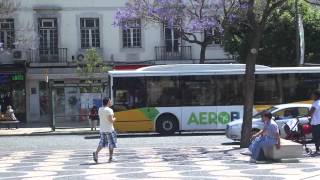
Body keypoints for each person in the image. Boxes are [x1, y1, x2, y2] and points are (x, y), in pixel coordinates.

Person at [93, 98, 117, 163]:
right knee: (111, 144)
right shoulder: (110, 110)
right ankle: (111, 157)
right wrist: (114, 119)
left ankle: (96, 153)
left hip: (102, 129)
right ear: (108, 102)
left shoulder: (100, 109)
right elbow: (111, 120)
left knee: (102, 143)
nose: (111, 102)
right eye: (110, 101)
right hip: (109, 129)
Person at [308, 90, 320, 155]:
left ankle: (317, 150)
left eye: (313, 95)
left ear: (316, 95)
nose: (311, 96)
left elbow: (310, 113)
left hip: (316, 123)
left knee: (316, 137)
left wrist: (308, 115)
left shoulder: (315, 103)